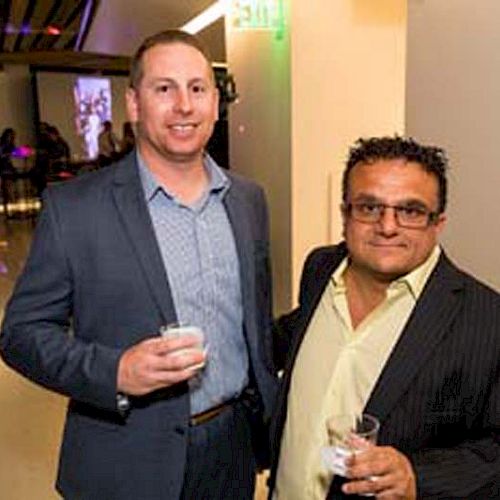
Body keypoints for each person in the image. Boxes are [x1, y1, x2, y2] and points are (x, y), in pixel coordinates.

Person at [0, 29, 276, 500]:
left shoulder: (248, 200)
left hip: (233, 448)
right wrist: (116, 372)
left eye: (197, 88)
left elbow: (252, 324)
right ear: (133, 104)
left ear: (214, 102)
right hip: (128, 458)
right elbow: (21, 334)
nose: (184, 106)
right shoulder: (75, 208)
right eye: (164, 89)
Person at [269, 136, 500, 499]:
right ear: (346, 214)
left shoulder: (486, 320)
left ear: (437, 223)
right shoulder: (320, 269)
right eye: (369, 207)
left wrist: (416, 477)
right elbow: (289, 338)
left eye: (410, 210)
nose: (387, 226)